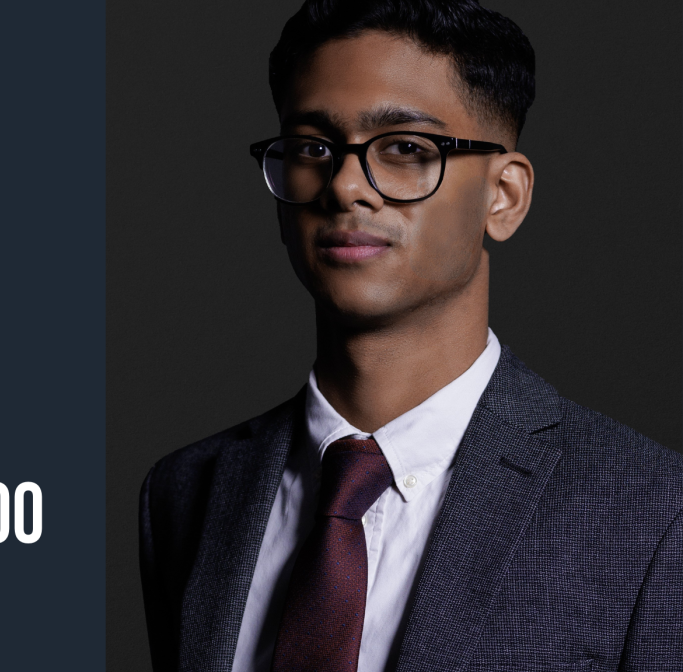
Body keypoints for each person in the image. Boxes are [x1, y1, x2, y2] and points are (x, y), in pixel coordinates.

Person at [137, 1, 683, 671]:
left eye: (404, 149)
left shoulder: (652, 512)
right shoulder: (189, 491)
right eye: (312, 148)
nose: (342, 186)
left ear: (503, 196)